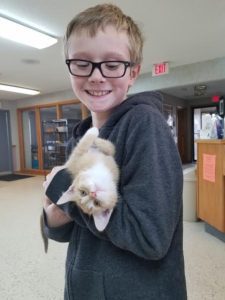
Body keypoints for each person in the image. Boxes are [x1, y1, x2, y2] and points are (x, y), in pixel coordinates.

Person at [43, 3, 187, 299]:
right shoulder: (81, 138)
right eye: (82, 63)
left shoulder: (144, 126)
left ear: (133, 73)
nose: (96, 76)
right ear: (69, 66)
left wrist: (64, 190)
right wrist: (51, 218)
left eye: (112, 64)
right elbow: (70, 228)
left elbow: (151, 237)